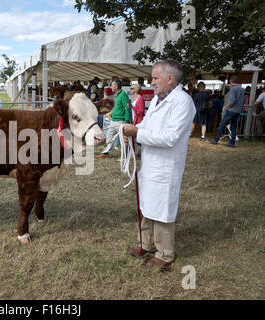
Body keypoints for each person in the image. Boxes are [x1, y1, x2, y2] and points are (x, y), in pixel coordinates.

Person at [122, 59, 195, 269]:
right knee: (147, 203)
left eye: (155, 78)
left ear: (169, 78)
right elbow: (146, 124)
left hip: (166, 166)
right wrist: (133, 129)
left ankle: (164, 253)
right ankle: (146, 243)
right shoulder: (157, 100)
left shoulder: (182, 102)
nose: (151, 82)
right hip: (151, 163)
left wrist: (138, 133)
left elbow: (170, 137)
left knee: (162, 208)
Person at [96, 79, 130, 158]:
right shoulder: (117, 95)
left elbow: (127, 108)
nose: (111, 87)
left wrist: (126, 121)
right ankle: (105, 153)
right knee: (109, 136)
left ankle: (126, 155)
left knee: (123, 139)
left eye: (112, 85)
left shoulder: (123, 95)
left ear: (116, 86)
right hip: (114, 120)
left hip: (120, 121)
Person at [209, 75, 245, 147]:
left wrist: (228, 107)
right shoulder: (242, 89)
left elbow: (232, 100)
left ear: (231, 81)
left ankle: (216, 139)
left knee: (222, 124)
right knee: (234, 127)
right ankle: (232, 143)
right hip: (238, 111)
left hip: (231, 110)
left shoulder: (233, 89)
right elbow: (243, 100)